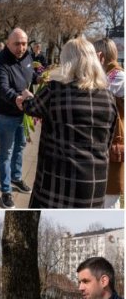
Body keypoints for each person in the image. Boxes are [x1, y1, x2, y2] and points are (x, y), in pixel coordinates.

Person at [16, 36, 117, 208]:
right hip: (93, 185)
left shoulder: (54, 91)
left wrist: (25, 97)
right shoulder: (108, 98)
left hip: (56, 184)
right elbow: (107, 141)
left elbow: (30, 107)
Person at [0, 28, 36, 208]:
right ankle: (6, 190)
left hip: (22, 112)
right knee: (6, 152)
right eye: (17, 44)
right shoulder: (0, 62)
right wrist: (15, 98)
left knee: (21, 145)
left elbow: (29, 74)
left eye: (24, 43)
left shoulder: (27, 56)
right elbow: (1, 87)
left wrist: (40, 78)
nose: (21, 48)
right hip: (5, 114)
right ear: (8, 43)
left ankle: (16, 177)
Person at [93, 38, 124, 208]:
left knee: (110, 194)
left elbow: (98, 94)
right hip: (105, 139)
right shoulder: (107, 74)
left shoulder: (117, 75)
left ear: (101, 55)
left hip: (114, 141)